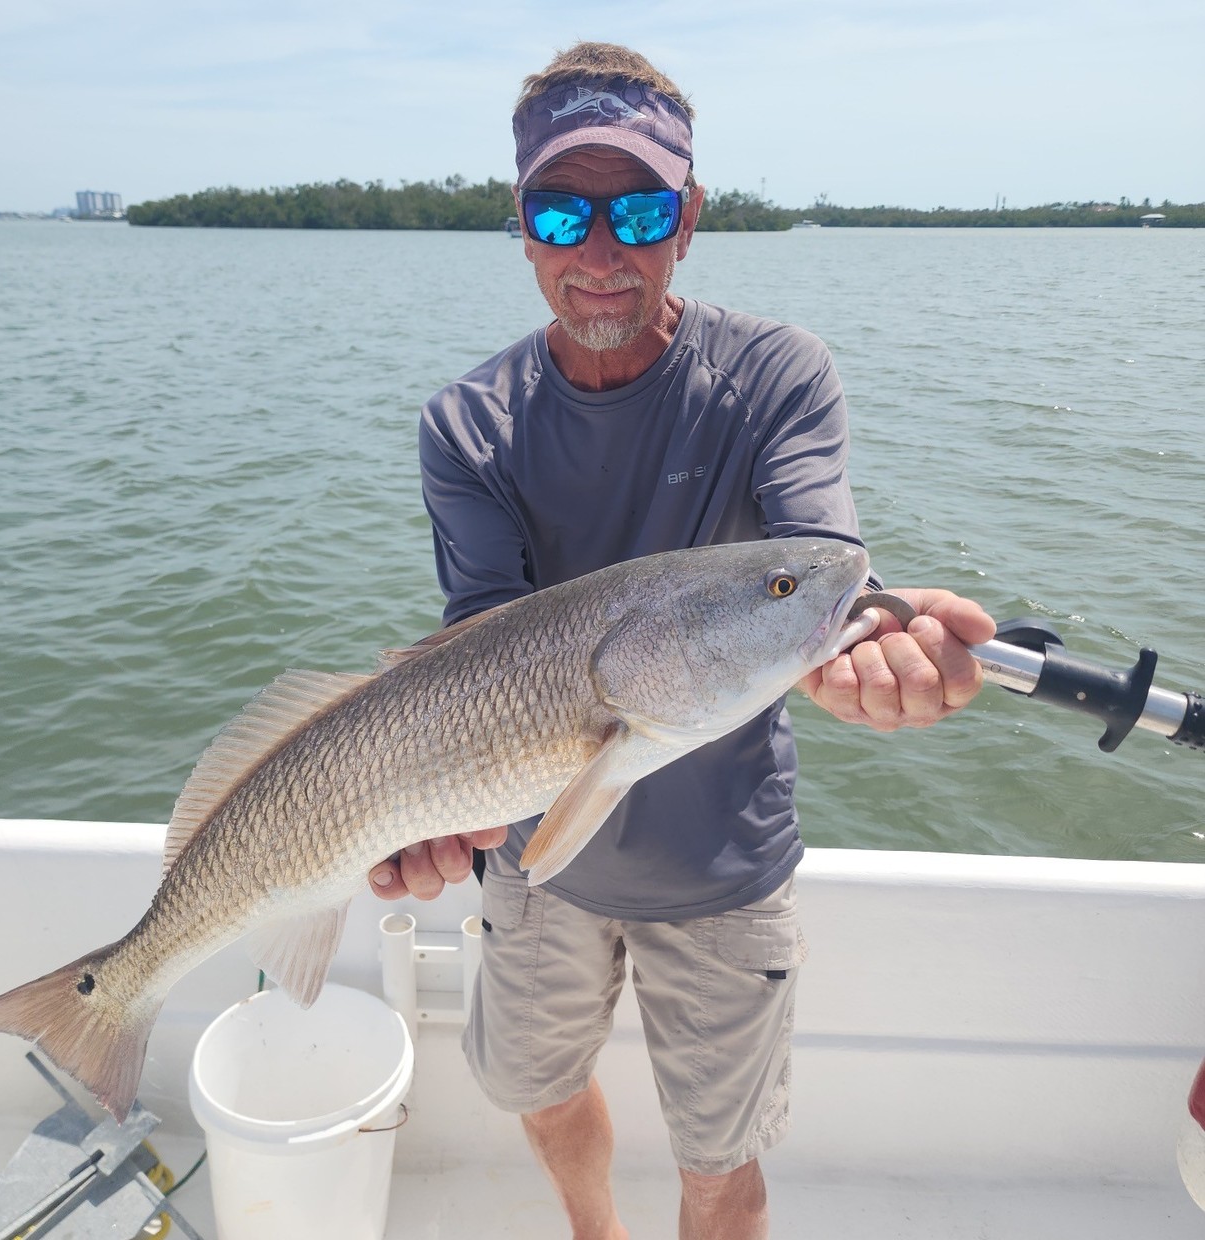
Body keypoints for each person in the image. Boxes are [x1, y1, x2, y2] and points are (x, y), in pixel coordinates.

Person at [369, 41, 995, 1240]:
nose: (601, 251)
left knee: (718, 1163)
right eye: (563, 210)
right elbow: (477, 650)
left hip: (721, 866)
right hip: (535, 863)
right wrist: (417, 812)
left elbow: (820, 568)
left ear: (689, 218)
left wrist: (870, 654)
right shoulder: (466, 426)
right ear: (522, 226)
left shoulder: (774, 375)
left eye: (639, 208)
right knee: (536, 1091)